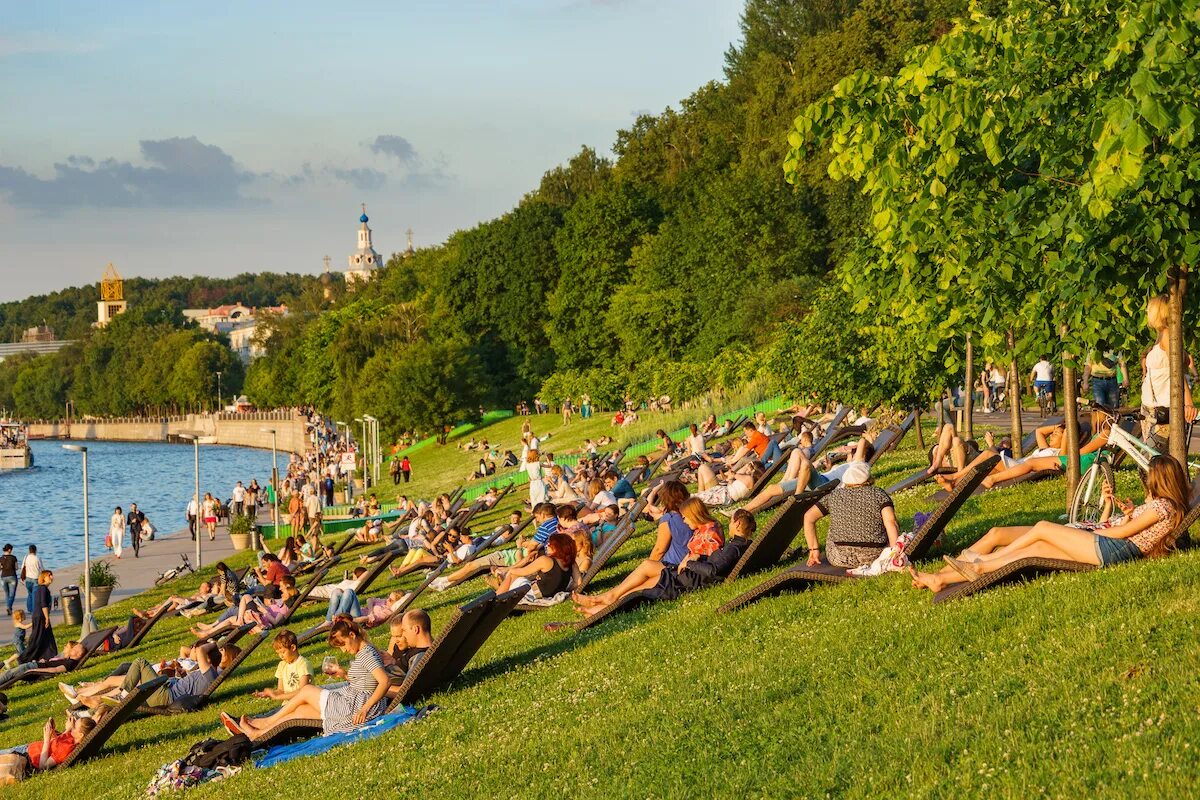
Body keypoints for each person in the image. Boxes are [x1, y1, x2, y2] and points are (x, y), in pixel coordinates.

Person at [912, 455, 1190, 593]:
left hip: (1113, 550)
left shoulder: (1162, 506)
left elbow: (1122, 534)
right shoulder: (1162, 506)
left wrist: (1091, 528)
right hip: (1109, 545)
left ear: (1160, 481)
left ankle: (981, 562)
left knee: (1044, 528)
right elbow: (1125, 528)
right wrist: (1120, 512)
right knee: (1032, 550)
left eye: (1149, 478)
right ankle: (941, 579)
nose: (1146, 482)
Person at [225, 618, 389, 739]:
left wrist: (365, 708)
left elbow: (384, 682)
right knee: (299, 711)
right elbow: (367, 680)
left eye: (343, 645)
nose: (344, 650)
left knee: (306, 690)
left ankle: (266, 722)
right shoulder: (364, 652)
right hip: (354, 702)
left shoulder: (367, 653)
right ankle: (260, 733)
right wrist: (345, 674)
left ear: (352, 635)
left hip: (356, 706)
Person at [572, 485, 698, 614]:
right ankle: (599, 604)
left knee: (638, 585)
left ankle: (600, 603)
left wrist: (646, 569)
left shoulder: (669, 518)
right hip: (678, 566)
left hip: (672, 567)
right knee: (634, 588)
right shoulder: (688, 516)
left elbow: (659, 549)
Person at [801, 462, 900, 569]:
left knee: (834, 526)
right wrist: (894, 553)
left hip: (839, 557)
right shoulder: (879, 494)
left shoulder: (834, 496)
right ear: (869, 479)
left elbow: (808, 517)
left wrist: (814, 549)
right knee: (888, 522)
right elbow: (891, 522)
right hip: (875, 556)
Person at [77, 642, 220, 712]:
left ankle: (122, 696)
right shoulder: (206, 674)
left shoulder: (210, 675)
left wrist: (214, 644)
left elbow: (201, 649)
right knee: (134, 676)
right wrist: (180, 676)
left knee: (140, 662)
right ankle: (92, 709)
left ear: (206, 660)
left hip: (166, 696)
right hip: (166, 691)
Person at [1141, 293, 1197, 450]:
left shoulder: (1167, 336)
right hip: (1153, 408)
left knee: (1154, 462)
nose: (1147, 313)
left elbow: (1179, 370)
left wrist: (1188, 403)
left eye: (1149, 310)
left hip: (1162, 410)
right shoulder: (1163, 335)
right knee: (1151, 460)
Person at [0, 709, 101, 780]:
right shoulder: (71, 737)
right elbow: (56, 744)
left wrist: (47, 739)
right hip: (28, 748)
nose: (72, 725)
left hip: (26, 756)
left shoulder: (66, 749)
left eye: (75, 727)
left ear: (80, 734)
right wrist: (65, 729)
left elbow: (43, 766)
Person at [493, 532, 578, 599]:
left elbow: (523, 572)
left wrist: (509, 570)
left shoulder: (546, 560)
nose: (547, 545)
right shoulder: (572, 563)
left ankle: (496, 598)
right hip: (552, 593)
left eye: (550, 544)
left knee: (513, 574)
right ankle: (501, 585)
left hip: (535, 594)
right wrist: (563, 589)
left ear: (557, 547)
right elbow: (578, 582)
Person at [253, 630, 312, 701]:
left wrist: (278, 697)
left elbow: (303, 691)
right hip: (288, 704)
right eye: (278, 653)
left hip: (303, 704)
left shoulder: (303, 664)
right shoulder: (282, 665)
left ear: (293, 647)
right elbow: (280, 690)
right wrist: (271, 694)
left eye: (283, 652)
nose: (281, 656)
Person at [20, 570, 56, 664]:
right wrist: (47, 618)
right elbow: (43, 604)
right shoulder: (42, 589)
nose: (52, 577)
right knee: (37, 638)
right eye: (49, 575)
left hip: (38, 616)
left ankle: (49, 656)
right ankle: (24, 658)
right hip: (40, 616)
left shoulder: (41, 588)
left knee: (47, 637)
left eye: (51, 575)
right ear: (44, 577)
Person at [1083, 340, 1127, 410]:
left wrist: (1125, 379)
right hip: (1097, 381)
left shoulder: (1115, 350)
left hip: (1112, 380)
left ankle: (1111, 420)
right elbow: (1088, 367)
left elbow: (1122, 364)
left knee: (1113, 405)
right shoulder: (1093, 350)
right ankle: (1101, 420)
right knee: (1100, 405)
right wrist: (1085, 382)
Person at [0, 544, 17, 617]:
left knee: (7, 594)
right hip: (12, 576)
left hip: (3, 577)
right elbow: (16, 568)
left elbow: (0, 568)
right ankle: (9, 607)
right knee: (12, 594)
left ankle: (9, 608)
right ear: (9, 550)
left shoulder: (0, 558)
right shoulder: (13, 558)